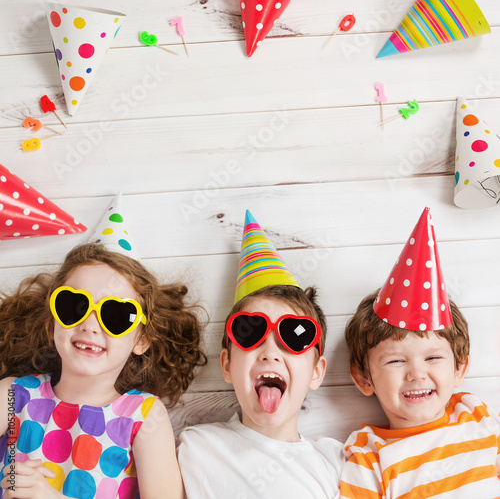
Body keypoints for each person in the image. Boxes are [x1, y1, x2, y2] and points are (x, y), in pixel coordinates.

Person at [0, 243, 206, 499]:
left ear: (141, 340)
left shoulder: (144, 416)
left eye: (116, 315)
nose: (89, 325)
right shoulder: (12, 395)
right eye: (74, 306)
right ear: (50, 322)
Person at [177, 211, 344, 498]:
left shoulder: (336, 463)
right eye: (250, 333)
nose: (270, 353)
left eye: (294, 336)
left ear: (316, 372)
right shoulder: (197, 447)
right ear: (227, 365)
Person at [340, 208, 500, 497]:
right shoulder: (369, 455)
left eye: (433, 357)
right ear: (364, 378)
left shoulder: (475, 414)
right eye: (396, 360)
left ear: (459, 369)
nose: (416, 373)